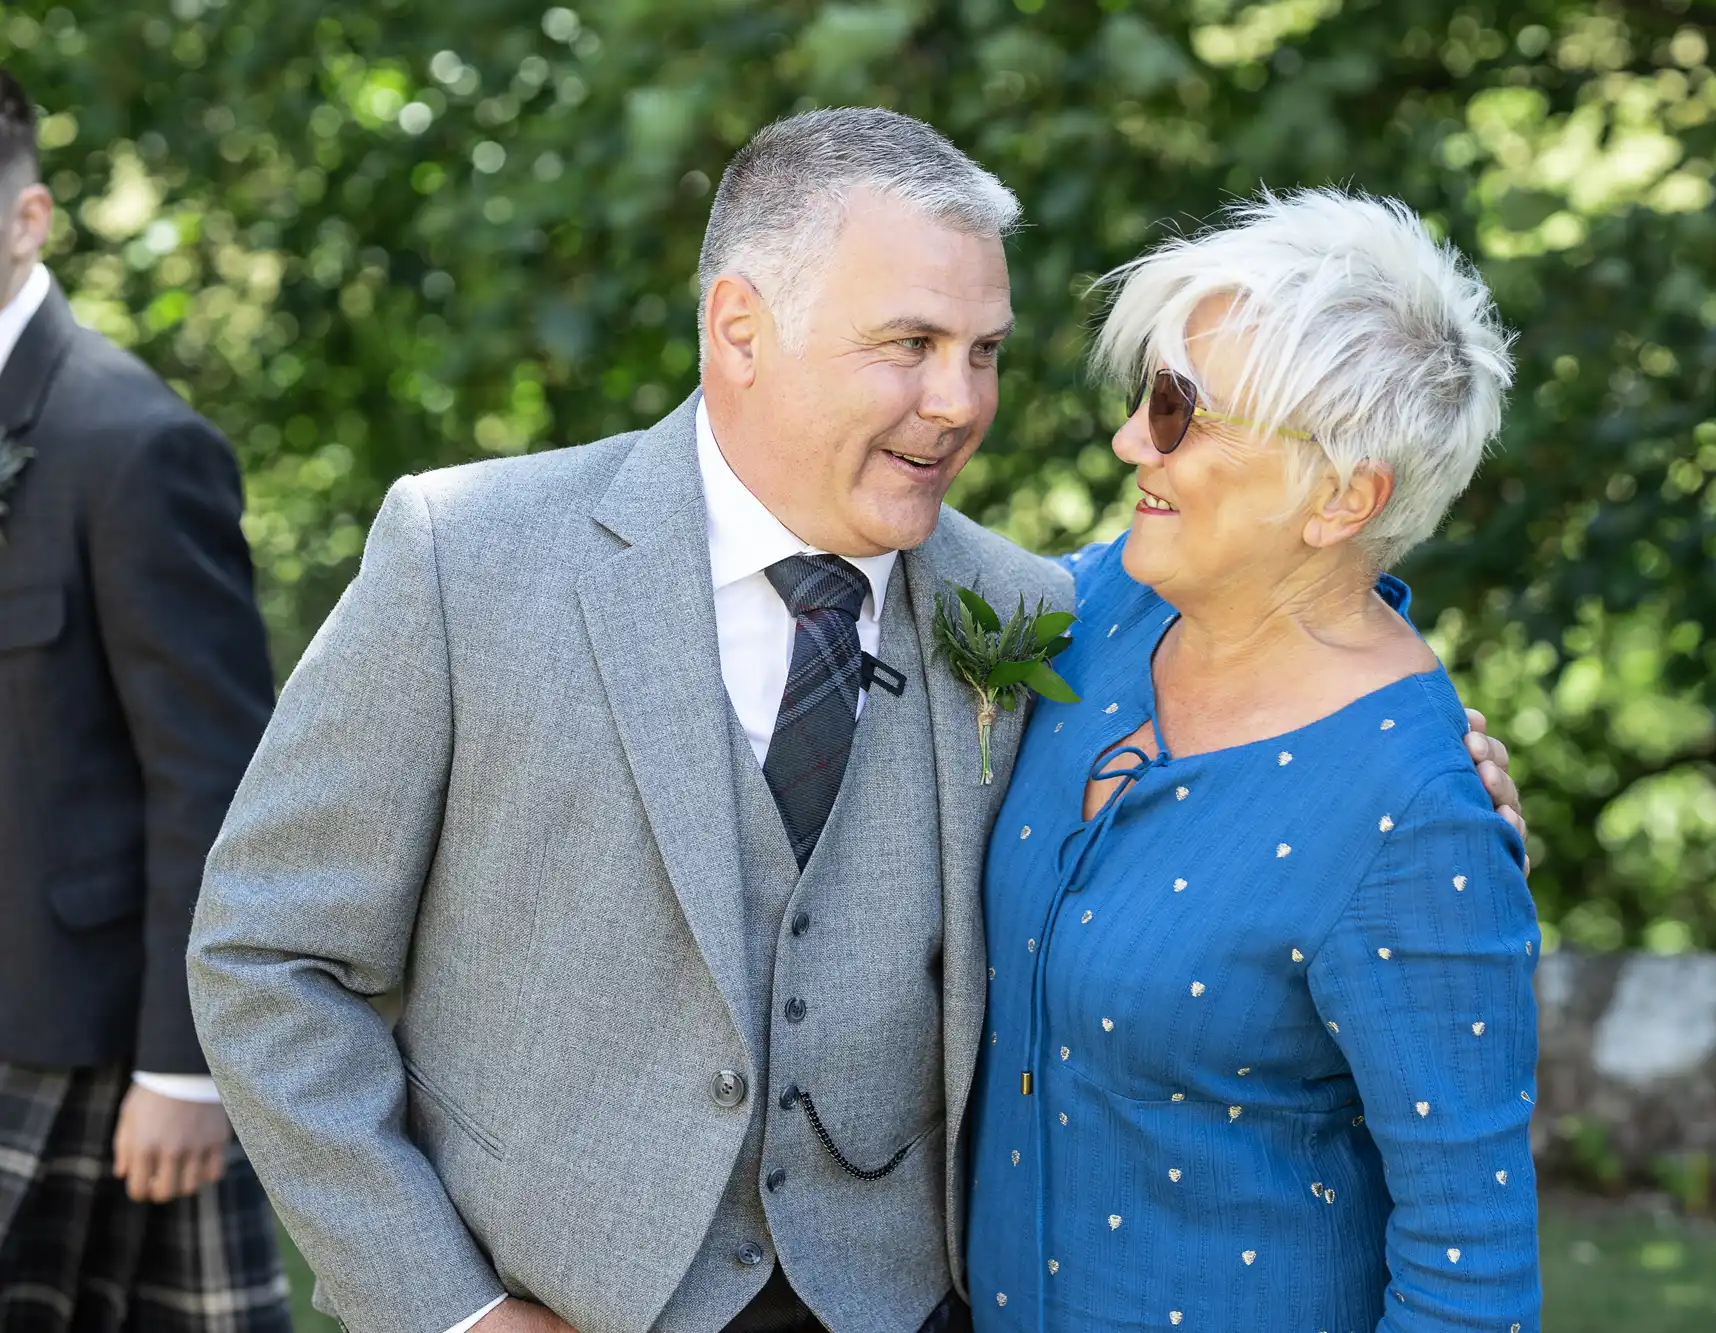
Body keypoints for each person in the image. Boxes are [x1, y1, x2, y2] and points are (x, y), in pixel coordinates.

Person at [188, 109, 1523, 1333]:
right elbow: (269, 955)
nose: (960, 405)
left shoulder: (1026, 610)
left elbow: (1300, 647)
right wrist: (449, 1311)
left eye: (984, 352)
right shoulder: (467, 558)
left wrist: (1431, 769)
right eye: (909, 346)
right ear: (741, 328)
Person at [966, 190, 1542, 1331]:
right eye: (1144, 398)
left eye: (1181, 410)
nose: (1132, 437)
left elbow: (1470, 1269)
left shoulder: (1418, 812)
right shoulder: (1093, 611)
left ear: (1340, 498)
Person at [0, 68, 290, 1330]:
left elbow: (214, 778)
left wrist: (187, 1065)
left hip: (72, 1048)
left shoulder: (132, 442)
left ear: (29, 218)